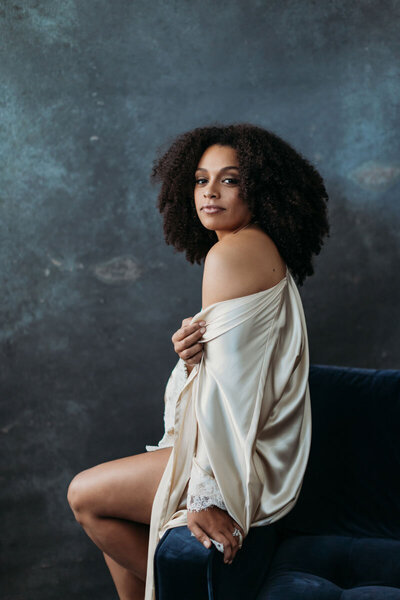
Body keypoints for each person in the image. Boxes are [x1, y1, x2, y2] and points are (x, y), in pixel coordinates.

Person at [67, 122, 330, 600]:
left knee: (84, 496)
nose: (210, 192)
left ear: (262, 190)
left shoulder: (231, 256)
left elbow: (231, 393)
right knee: (113, 512)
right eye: (200, 179)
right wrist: (192, 358)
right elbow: (238, 370)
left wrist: (209, 495)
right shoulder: (252, 247)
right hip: (249, 445)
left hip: (241, 460)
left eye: (229, 179)